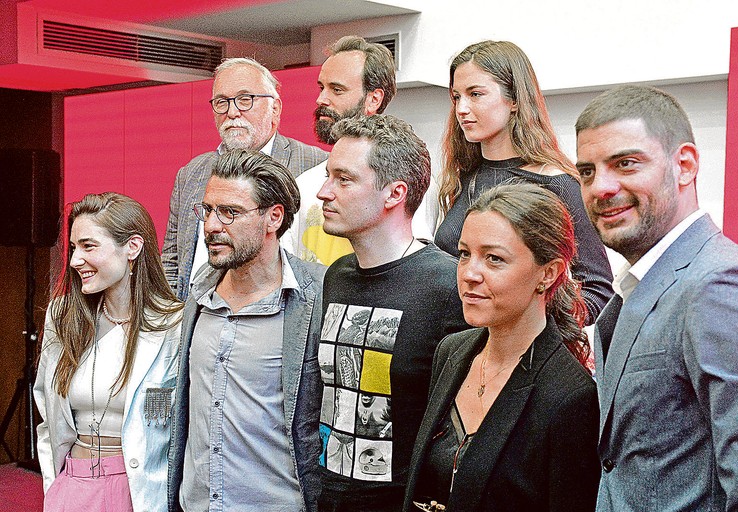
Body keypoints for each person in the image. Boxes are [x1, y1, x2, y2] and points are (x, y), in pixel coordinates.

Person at [574, 85, 738, 512]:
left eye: (626, 163)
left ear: (685, 165)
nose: (602, 187)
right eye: (587, 172)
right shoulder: (642, 287)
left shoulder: (725, 287)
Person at [401, 183, 600, 512]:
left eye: (494, 259)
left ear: (547, 273)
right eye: (465, 254)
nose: (469, 274)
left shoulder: (569, 396)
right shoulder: (452, 351)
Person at [315, 114, 467, 512]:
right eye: (329, 176)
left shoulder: (448, 285)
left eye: (344, 179)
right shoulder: (337, 276)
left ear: (395, 194)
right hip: (331, 506)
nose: (324, 192)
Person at [167, 150, 324, 512]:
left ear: (274, 217)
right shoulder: (198, 294)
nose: (211, 226)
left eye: (229, 212)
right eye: (207, 210)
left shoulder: (317, 298)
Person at [433, 40, 612, 322]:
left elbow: (597, 293)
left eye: (475, 94)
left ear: (514, 99)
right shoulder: (463, 177)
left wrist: (528, 326)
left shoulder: (557, 185)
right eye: (456, 97)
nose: (462, 109)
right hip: (452, 341)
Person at [34, 192, 183, 512]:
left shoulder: (174, 325)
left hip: (138, 494)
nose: (75, 260)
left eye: (89, 246)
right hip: (73, 488)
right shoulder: (63, 317)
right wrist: (53, 487)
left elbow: (175, 427)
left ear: (132, 247)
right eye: (74, 247)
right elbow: (47, 416)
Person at [163, 57, 327, 300]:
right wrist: (175, 314)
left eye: (245, 99)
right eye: (221, 102)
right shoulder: (191, 173)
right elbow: (172, 260)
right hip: (197, 315)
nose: (232, 112)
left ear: (275, 108)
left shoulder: (315, 166)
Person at [286, 35, 436, 265]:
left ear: (373, 99)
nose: (321, 99)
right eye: (322, 88)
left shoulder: (409, 181)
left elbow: (412, 267)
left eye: (337, 90)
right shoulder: (305, 184)